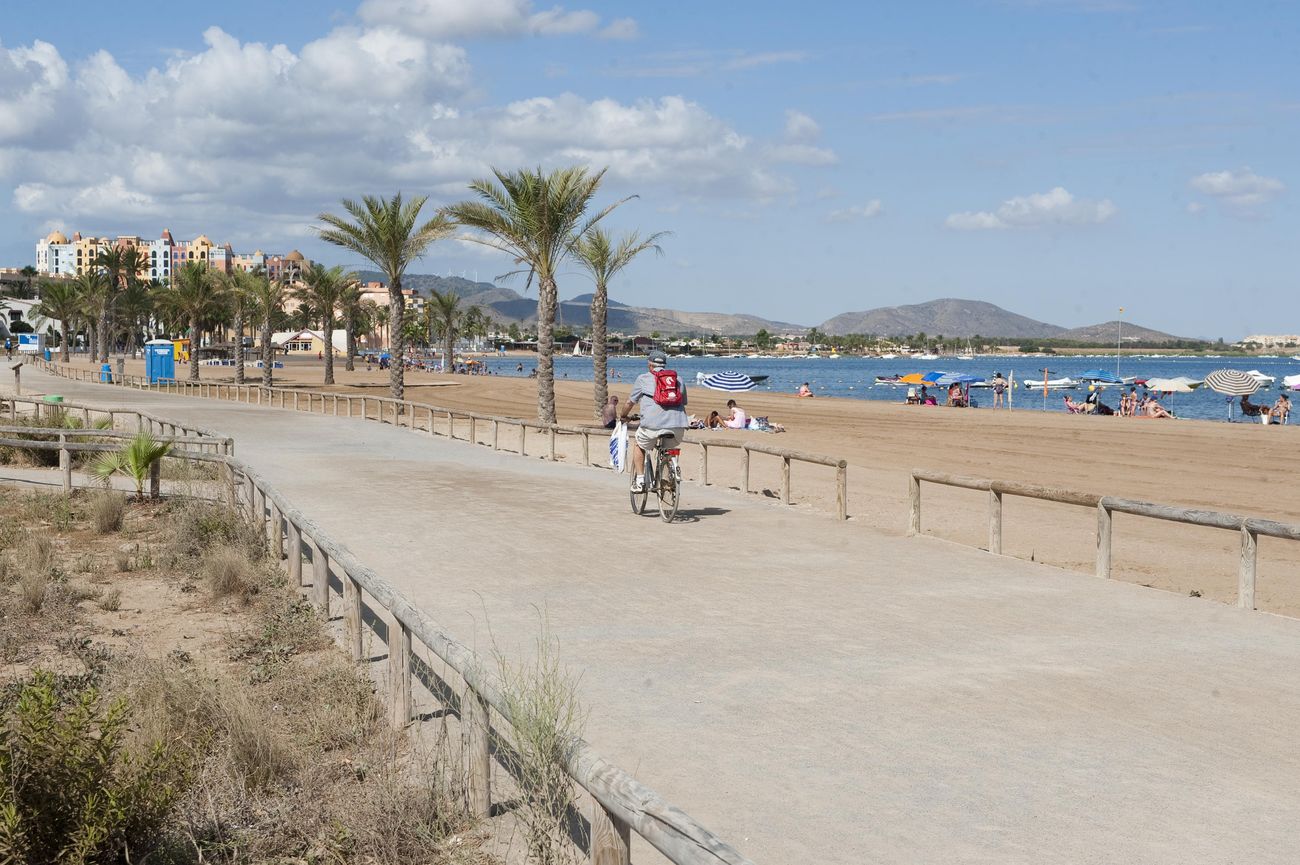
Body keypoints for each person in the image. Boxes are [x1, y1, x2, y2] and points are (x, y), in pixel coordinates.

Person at [620, 351, 688, 493]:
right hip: (678, 425)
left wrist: (623, 415)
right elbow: (684, 402)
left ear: (650, 365)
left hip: (652, 425)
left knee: (639, 443)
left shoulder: (643, 378)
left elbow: (630, 402)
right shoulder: (679, 379)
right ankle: (670, 471)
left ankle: (639, 481)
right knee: (668, 449)